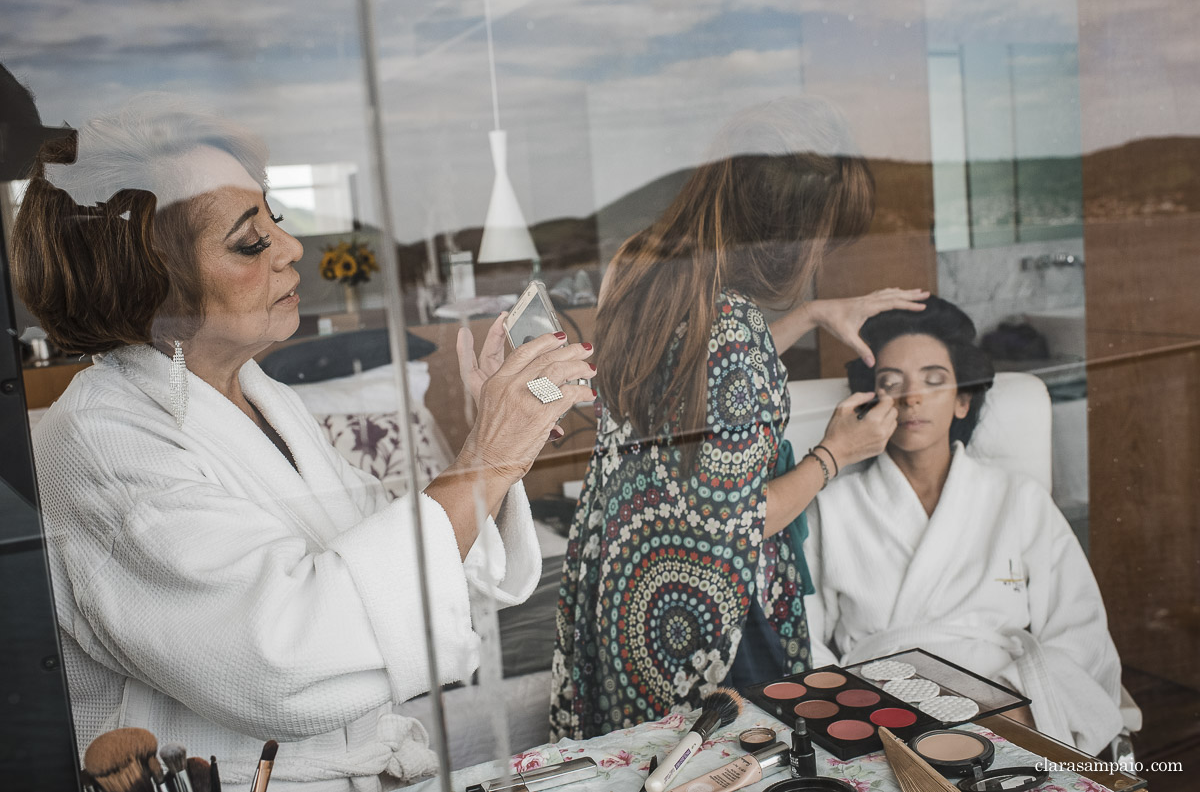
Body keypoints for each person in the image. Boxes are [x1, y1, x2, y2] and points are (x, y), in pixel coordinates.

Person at [10, 99, 595, 791]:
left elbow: (392, 557)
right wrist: (484, 460)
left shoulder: (262, 395)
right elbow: (286, 657)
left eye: (275, 219)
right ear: (151, 283)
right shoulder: (100, 446)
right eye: (249, 242)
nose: (290, 248)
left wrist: (489, 448)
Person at [549, 97, 927, 740]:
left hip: (624, 590)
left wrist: (810, 316)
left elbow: (700, 384)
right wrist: (837, 453)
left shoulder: (639, 266)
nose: (821, 259)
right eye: (821, 241)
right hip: (711, 620)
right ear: (784, 242)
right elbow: (743, 519)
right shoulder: (734, 328)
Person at [803, 295, 1128, 754]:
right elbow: (804, 644)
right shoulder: (833, 508)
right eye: (891, 382)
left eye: (934, 381)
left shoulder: (1018, 499)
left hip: (1011, 716)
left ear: (962, 400)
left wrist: (1009, 716)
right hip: (883, 723)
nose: (912, 397)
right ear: (872, 402)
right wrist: (868, 721)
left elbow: (1080, 631)